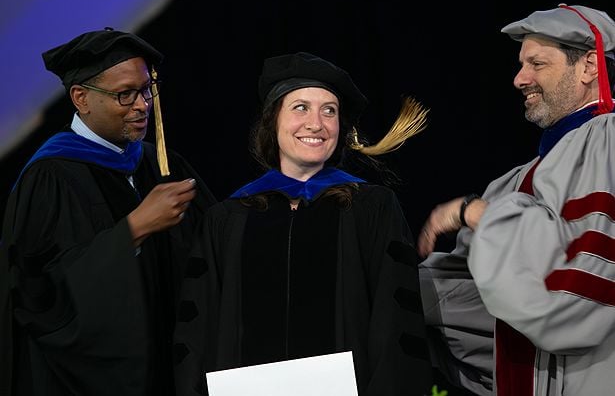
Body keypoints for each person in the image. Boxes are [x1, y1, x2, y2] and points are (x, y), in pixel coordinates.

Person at [172, 51, 433, 396]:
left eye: (329, 111)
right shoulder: (226, 219)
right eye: (300, 108)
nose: (316, 123)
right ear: (273, 120)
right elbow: (198, 332)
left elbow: (396, 324)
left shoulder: (372, 209)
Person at [0, 28, 217, 396]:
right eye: (125, 94)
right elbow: (37, 296)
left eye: (147, 89)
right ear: (81, 98)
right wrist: (132, 230)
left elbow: (213, 247)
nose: (142, 104)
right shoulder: (49, 178)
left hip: (174, 374)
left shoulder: (161, 164)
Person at [417, 4, 615, 396]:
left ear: (589, 67)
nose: (519, 78)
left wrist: (473, 213)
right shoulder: (521, 178)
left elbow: (572, 298)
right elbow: (480, 296)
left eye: (537, 63)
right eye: (521, 64)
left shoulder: (607, 142)